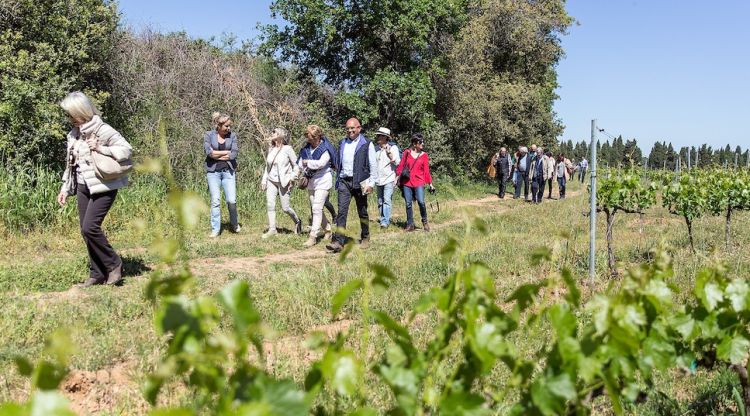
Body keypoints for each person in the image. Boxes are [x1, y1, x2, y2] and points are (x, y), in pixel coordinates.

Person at [57, 91, 132, 287]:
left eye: (71, 114)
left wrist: (100, 148)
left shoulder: (103, 130)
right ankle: (97, 273)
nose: (69, 118)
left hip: (104, 186)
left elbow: (126, 150)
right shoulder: (74, 135)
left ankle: (114, 264)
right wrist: (65, 188)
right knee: (85, 230)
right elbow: (71, 164)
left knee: (90, 227)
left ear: (81, 111)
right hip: (83, 186)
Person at [326, 118, 378, 253]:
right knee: (341, 212)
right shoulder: (342, 142)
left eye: (352, 128)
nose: (350, 131)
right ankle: (338, 241)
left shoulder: (367, 144)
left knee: (362, 212)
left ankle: (365, 237)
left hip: (361, 183)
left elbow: (373, 166)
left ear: (359, 128)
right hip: (344, 181)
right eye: (348, 128)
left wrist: (371, 183)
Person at [298, 125, 338, 248]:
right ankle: (328, 230)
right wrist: (301, 167)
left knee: (316, 208)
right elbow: (300, 162)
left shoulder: (325, 148)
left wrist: (307, 163)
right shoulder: (306, 148)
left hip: (323, 181)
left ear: (316, 137)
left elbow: (321, 163)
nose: (307, 138)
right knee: (317, 209)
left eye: (309, 136)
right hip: (311, 181)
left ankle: (313, 237)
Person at [261, 128, 302, 238]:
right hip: (271, 180)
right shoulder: (271, 149)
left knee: (285, 208)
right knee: (270, 204)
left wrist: (292, 177)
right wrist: (264, 179)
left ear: (281, 135)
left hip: (284, 182)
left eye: (274, 132)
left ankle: (298, 221)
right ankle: (272, 229)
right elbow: (267, 167)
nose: (272, 133)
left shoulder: (288, 149)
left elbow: (297, 165)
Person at [203, 112, 239, 237]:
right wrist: (226, 153)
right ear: (218, 125)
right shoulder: (208, 135)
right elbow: (209, 153)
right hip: (213, 173)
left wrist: (217, 154)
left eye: (229, 126)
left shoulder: (233, 136)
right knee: (215, 201)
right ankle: (215, 229)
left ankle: (234, 224)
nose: (228, 129)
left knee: (231, 200)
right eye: (226, 126)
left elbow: (233, 154)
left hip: (228, 172)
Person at [395, 133, 434, 232]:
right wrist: (396, 177)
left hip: (419, 182)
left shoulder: (424, 155)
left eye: (422, 142)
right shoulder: (406, 153)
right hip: (407, 182)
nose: (422, 144)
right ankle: (410, 224)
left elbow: (426, 171)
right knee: (408, 203)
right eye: (420, 142)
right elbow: (401, 166)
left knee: (421, 202)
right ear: (414, 143)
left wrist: (430, 183)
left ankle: (425, 222)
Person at [374, 127, 401, 228]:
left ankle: (385, 222)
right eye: (378, 135)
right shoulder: (375, 149)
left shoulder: (393, 148)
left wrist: (389, 153)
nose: (378, 137)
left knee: (386, 200)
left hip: (389, 178)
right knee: (380, 201)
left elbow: (398, 162)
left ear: (385, 137)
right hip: (378, 179)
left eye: (380, 136)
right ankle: (382, 219)